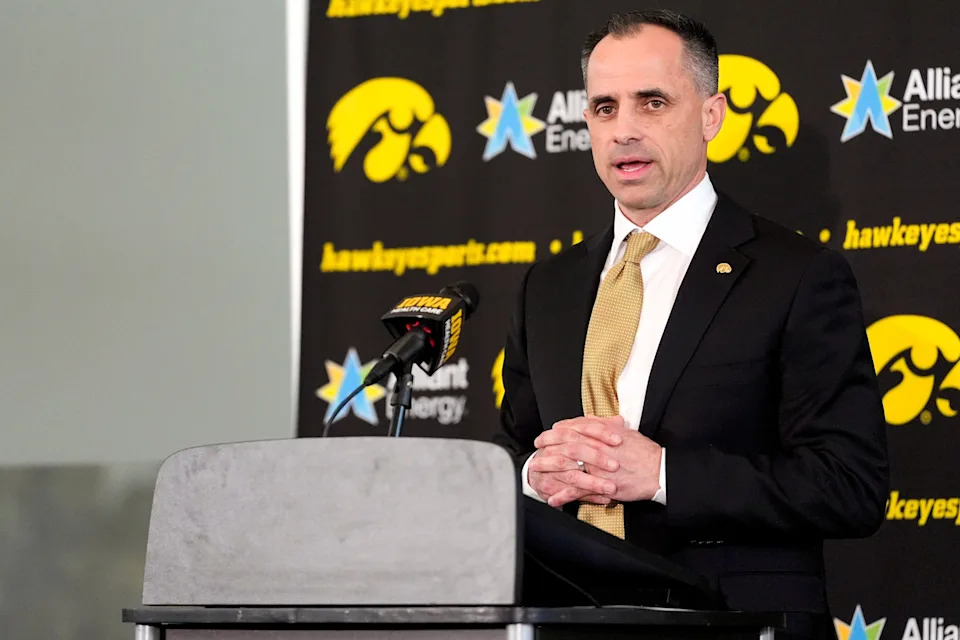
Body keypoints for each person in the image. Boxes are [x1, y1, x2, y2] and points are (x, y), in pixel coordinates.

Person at [493, 9, 888, 639]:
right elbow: (513, 449)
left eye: (652, 103)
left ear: (711, 116)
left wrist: (662, 476)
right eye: (604, 108)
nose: (624, 130)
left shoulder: (797, 275)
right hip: (568, 620)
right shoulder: (548, 286)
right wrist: (533, 478)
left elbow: (849, 485)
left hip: (730, 623)